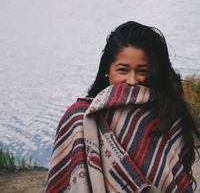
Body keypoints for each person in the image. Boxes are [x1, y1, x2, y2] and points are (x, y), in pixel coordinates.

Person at [47, 21, 200, 193]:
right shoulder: (79, 117)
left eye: (142, 71)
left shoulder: (166, 114)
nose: (132, 80)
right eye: (123, 70)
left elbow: (175, 179)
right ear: (108, 69)